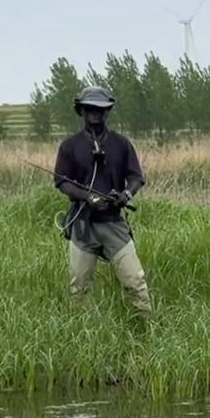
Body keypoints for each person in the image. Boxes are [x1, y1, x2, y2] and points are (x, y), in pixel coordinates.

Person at [54, 86, 151, 313]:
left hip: (114, 224)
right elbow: (61, 182)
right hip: (82, 226)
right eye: (90, 109)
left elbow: (137, 177)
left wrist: (125, 195)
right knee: (79, 288)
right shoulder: (69, 146)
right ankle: (82, 333)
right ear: (82, 111)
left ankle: (146, 329)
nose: (95, 114)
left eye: (100, 109)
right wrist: (88, 197)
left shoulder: (121, 144)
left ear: (107, 111)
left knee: (135, 282)